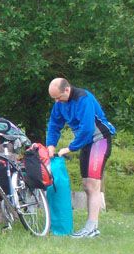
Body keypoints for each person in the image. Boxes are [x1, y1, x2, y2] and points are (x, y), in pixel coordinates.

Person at [46, 77, 116, 238]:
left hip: (99, 140)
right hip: (86, 143)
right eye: (54, 98)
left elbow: (87, 129)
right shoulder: (59, 103)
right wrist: (50, 145)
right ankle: (92, 227)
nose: (56, 101)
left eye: (58, 97)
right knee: (86, 184)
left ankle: (92, 227)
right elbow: (54, 125)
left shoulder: (83, 99)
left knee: (92, 184)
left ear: (67, 89)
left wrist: (70, 148)